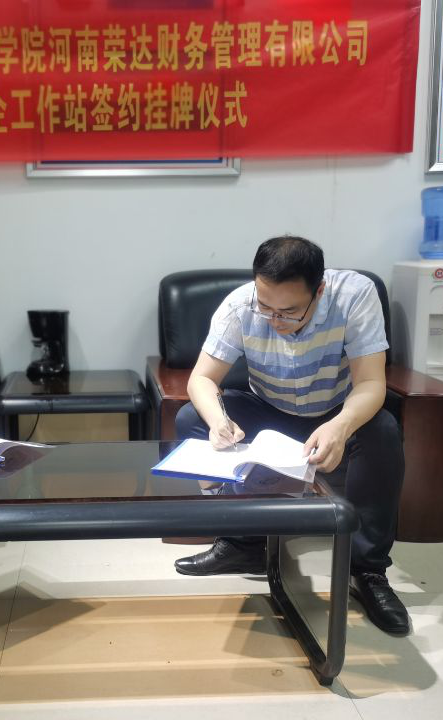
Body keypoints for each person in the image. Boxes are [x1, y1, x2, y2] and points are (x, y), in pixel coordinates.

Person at [173, 235, 410, 636]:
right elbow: (202, 379)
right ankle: (243, 543)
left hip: (336, 409)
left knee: (383, 429)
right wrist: (217, 421)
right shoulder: (239, 305)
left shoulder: (354, 295)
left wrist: (340, 426)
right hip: (270, 409)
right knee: (190, 418)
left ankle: (368, 570)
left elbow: (371, 383)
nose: (275, 320)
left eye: (289, 312)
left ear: (319, 291)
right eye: (265, 307)